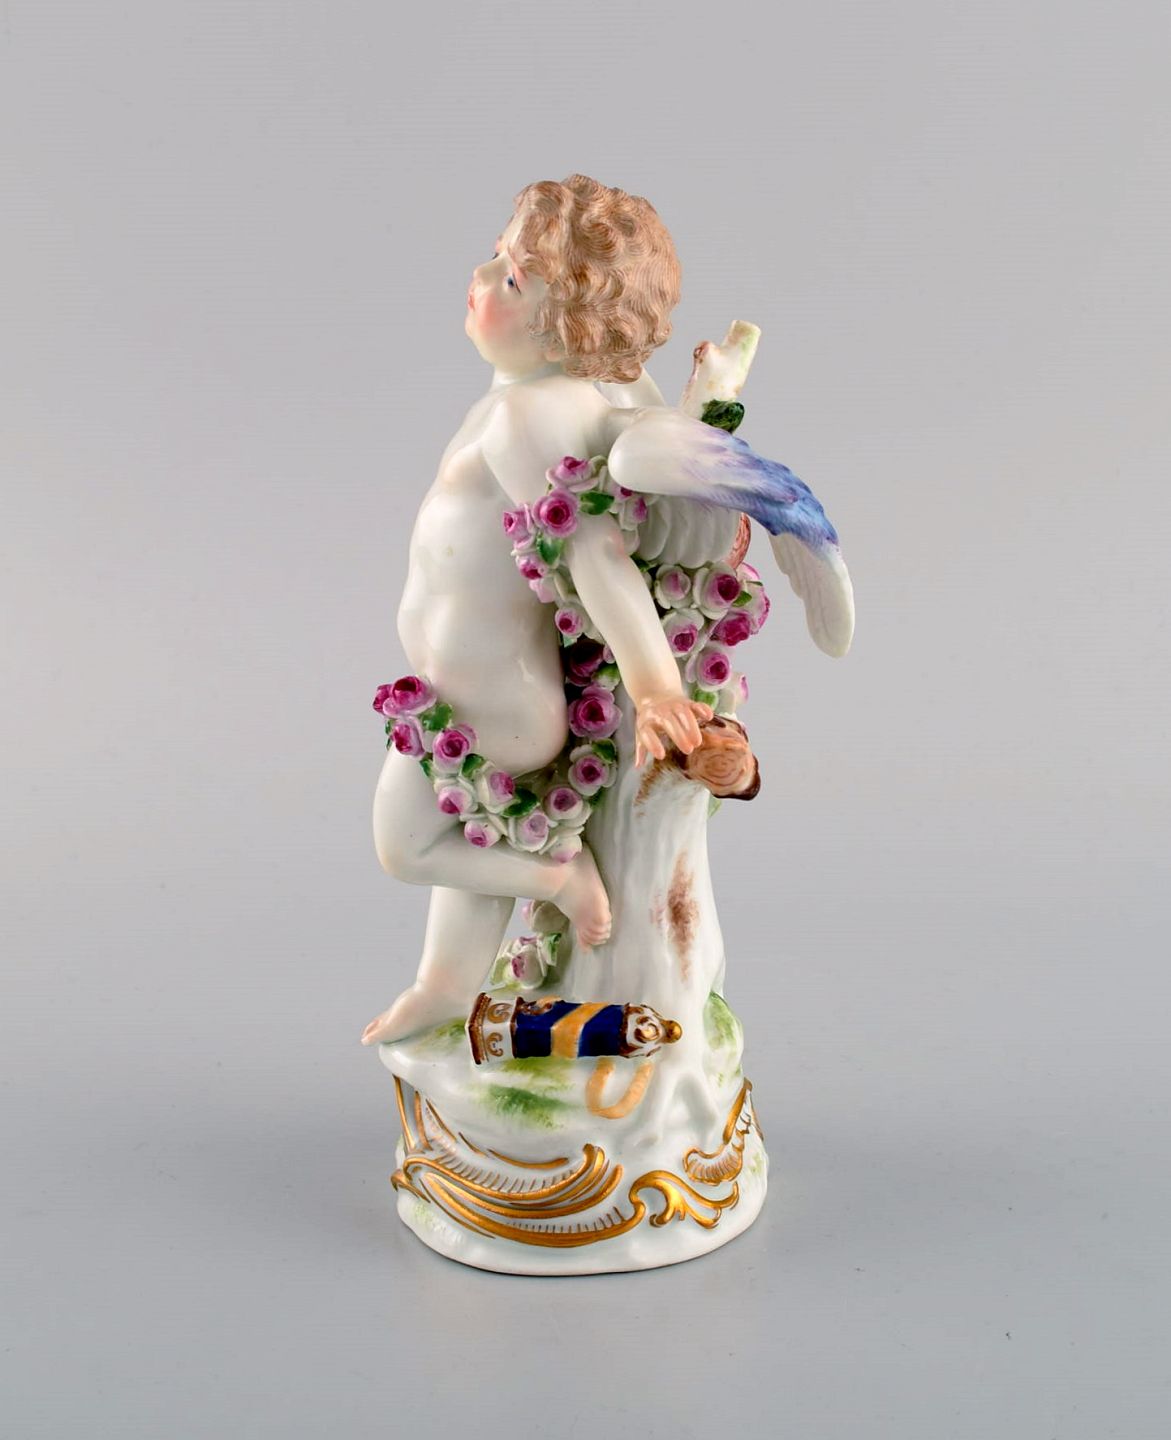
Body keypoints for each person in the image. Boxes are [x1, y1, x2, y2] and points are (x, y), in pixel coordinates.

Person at [362, 175, 712, 1046]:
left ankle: (558, 878)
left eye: (513, 279)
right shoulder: (561, 397)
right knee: (471, 844)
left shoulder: (528, 414)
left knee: (406, 846)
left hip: (492, 698)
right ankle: (447, 988)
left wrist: (656, 687)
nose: (483, 275)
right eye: (497, 256)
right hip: (481, 689)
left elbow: (593, 554)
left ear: (567, 331)